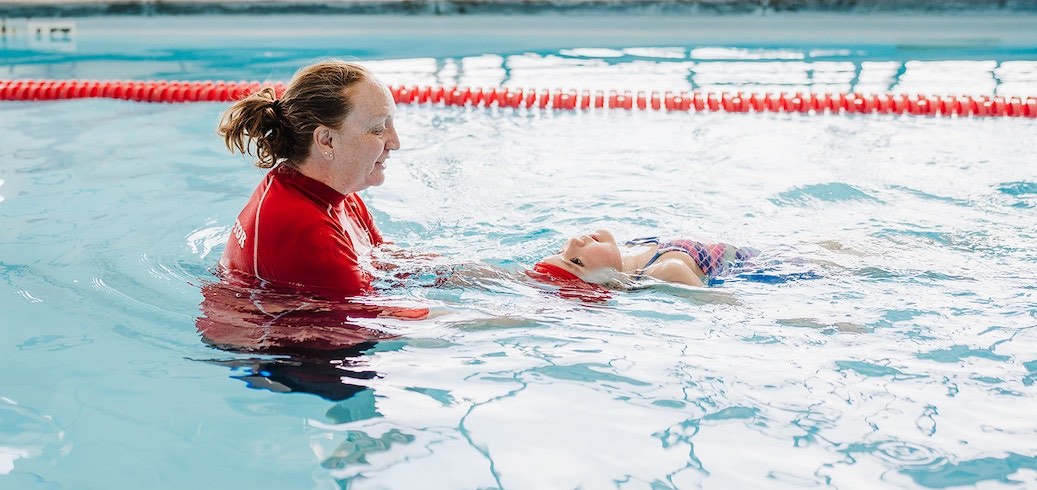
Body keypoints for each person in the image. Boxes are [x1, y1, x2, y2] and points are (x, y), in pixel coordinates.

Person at [216, 60, 400, 298]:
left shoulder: (331, 193)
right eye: (378, 129)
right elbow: (377, 317)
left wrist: (459, 273)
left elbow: (386, 260)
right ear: (326, 141)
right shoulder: (308, 233)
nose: (395, 143)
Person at [529, 229, 759, 290]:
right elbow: (723, 304)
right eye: (576, 261)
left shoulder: (626, 254)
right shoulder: (666, 270)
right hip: (758, 264)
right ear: (608, 281)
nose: (571, 243)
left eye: (561, 252)